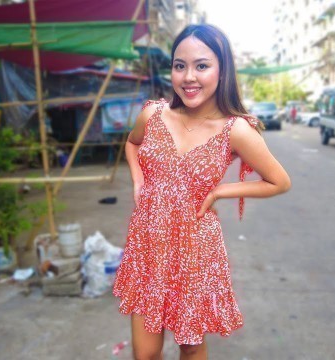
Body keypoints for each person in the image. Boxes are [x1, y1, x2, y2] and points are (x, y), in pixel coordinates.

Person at [112, 24, 291, 360]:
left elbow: (279, 181)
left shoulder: (235, 130)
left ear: (222, 70)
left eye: (202, 65)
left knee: (191, 346)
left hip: (195, 248)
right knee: (145, 354)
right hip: (148, 244)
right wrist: (138, 180)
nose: (188, 77)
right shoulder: (152, 114)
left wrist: (220, 191)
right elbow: (132, 145)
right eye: (180, 66)